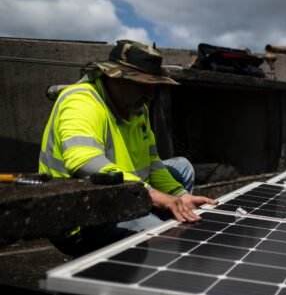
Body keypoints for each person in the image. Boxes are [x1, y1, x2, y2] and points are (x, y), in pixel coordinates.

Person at [39, 39, 218, 256]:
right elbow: (83, 161)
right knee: (160, 237)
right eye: (142, 86)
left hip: (125, 197)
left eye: (154, 88)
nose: (149, 96)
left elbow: (153, 164)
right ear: (114, 78)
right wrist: (151, 194)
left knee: (182, 166)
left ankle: (168, 217)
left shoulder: (136, 109)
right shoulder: (81, 101)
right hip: (82, 220)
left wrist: (178, 195)